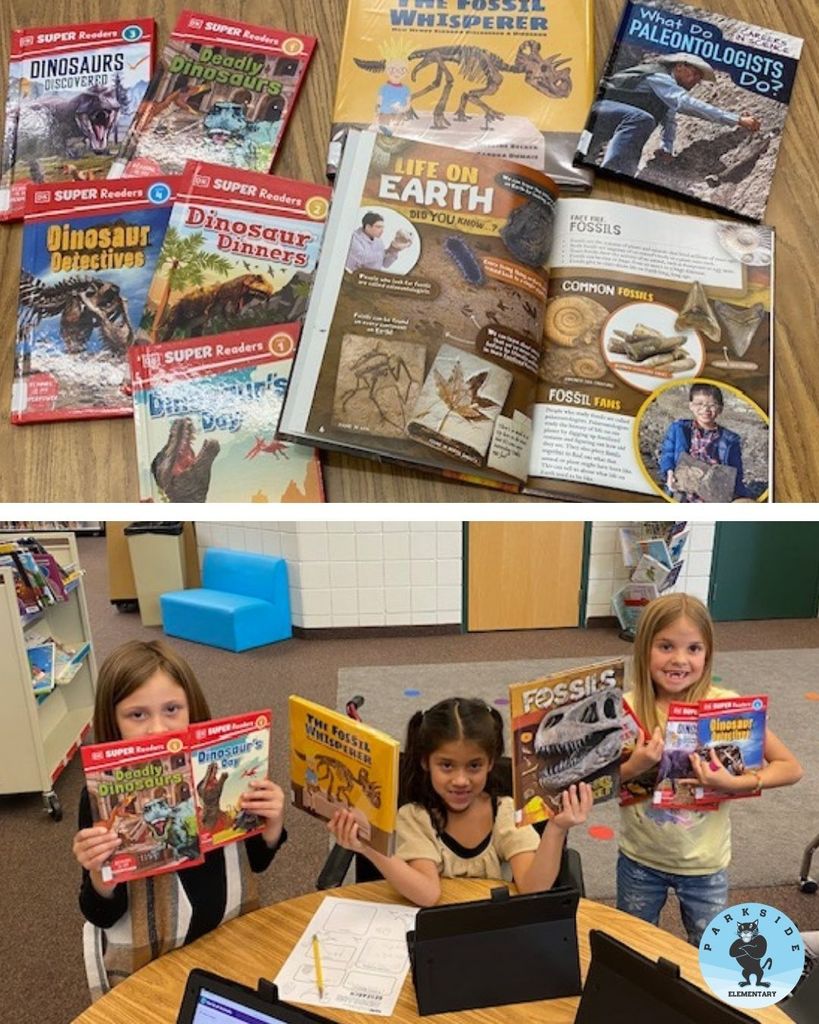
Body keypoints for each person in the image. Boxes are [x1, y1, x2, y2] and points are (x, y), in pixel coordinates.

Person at [72, 640, 287, 1000]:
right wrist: (99, 874)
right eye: (137, 715)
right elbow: (101, 913)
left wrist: (272, 826)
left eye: (172, 709)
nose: (158, 729)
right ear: (113, 720)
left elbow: (257, 864)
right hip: (151, 962)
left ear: (192, 708)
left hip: (227, 936)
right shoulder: (98, 798)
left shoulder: (216, 773)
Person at [619, 593, 802, 945]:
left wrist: (740, 783)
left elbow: (790, 767)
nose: (679, 659)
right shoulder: (627, 708)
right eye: (666, 646)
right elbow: (597, 782)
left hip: (704, 863)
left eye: (693, 649)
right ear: (643, 648)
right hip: (639, 858)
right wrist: (636, 765)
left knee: (711, 949)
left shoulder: (725, 708)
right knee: (632, 947)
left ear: (708, 654)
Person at [327, 697, 593, 906]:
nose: (461, 780)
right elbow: (428, 894)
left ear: (490, 763)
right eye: (446, 766)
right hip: (436, 936)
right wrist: (370, 846)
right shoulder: (416, 817)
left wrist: (556, 828)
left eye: (474, 766)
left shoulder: (504, 811)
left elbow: (533, 887)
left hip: (493, 932)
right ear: (425, 763)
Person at [589, 53, 761, 177]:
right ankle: (615, 174)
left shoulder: (664, 92)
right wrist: (737, 119)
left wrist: (666, 148)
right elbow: (685, 104)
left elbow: (669, 121)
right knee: (642, 119)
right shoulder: (659, 77)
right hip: (593, 108)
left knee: (642, 119)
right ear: (680, 66)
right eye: (694, 74)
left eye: (699, 79)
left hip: (600, 122)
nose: (695, 81)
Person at [659, 382, 748, 500]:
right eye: (699, 404)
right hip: (682, 488)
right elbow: (667, 454)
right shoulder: (679, 429)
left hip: (711, 494)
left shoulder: (730, 440)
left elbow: (736, 472)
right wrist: (669, 474)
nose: (705, 409)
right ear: (691, 406)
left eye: (712, 405)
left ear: (720, 409)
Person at [345, 212, 412, 273]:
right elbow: (362, 258)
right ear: (368, 227)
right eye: (378, 227)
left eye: (382, 227)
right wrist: (387, 251)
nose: (382, 231)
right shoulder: (353, 238)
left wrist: (394, 251)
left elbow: (385, 264)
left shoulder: (378, 241)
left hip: (372, 279)